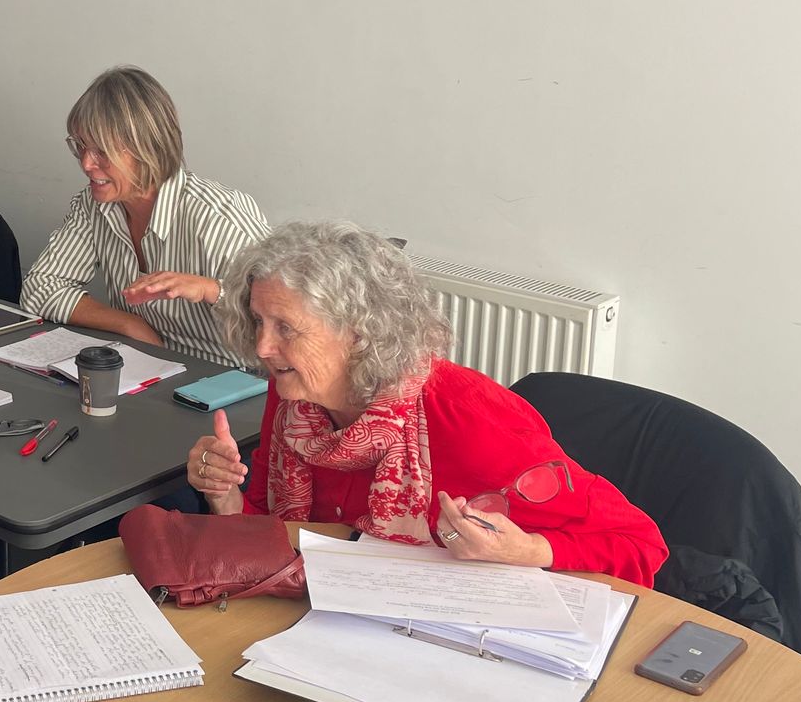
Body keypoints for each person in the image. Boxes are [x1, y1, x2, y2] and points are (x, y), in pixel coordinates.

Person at [187, 220, 668, 585]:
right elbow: (279, 534)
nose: (263, 348)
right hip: (329, 611)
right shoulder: (295, 392)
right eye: (259, 323)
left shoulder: (469, 421)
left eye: (285, 327)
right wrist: (224, 495)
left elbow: (639, 544)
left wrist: (524, 551)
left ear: (358, 332)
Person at [21, 66, 268, 368]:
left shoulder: (217, 217)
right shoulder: (94, 205)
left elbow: (284, 318)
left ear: (147, 148)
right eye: (81, 146)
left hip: (229, 385)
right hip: (145, 370)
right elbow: (40, 289)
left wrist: (209, 289)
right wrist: (129, 325)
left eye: (102, 151)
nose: (86, 163)